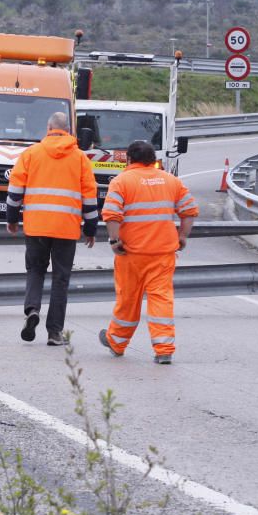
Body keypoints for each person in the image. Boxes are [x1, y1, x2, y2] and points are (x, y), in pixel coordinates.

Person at [97, 140, 198, 364]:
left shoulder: (121, 181)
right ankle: (164, 349)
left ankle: (116, 342)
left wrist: (114, 240)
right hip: (162, 252)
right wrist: (182, 236)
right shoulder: (171, 181)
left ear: (130, 159)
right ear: (153, 160)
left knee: (128, 299)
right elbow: (189, 211)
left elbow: (112, 215)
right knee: (161, 298)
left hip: (131, 253)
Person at [6, 111, 98, 346]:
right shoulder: (80, 158)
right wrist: (90, 228)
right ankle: (54, 333)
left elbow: (15, 191)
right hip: (66, 228)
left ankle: (32, 310)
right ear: (68, 131)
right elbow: (89, 196)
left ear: (48, 128)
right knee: (61, 279)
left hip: (36, 226)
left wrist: (12, 218)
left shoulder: (31, 154)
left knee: (35, 271)